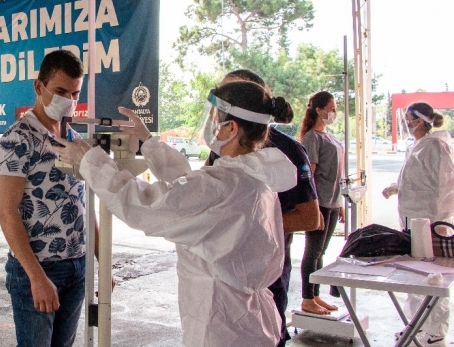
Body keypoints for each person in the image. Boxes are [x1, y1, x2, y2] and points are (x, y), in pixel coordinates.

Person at [56, 81, 297, 346]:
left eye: (214, 118)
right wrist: (149, 143)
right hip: (250, 321)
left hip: (221, 325)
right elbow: (187, 190)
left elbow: (144, 206)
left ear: (232, 128)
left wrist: (89, 161)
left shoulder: (223, 185)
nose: (209, 125)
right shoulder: (252, 177)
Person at [208, 69, 321, 346]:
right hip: (222, 274)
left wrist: (254, 224)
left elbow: (311, 218)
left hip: (264, 277)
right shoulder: (221, 146)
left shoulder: (288, 150)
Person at [0, 50, 98, 347]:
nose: (69, 100)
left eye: (75, 94)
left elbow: (84, 205)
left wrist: (100, 263)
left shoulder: (73, 138)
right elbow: (6, 213)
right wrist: (37, 278)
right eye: (61, 92)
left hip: (76, 266)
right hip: (39, 268)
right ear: (39, 87)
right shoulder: (17, 139)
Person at [382, 102, 454, 346]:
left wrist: (436, 223)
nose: (405, 123)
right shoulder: (418, 146)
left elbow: (444, 185)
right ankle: (416, 324)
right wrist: (396, 188)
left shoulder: (435, 146)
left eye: (408, 119)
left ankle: (435, 332)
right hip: (413, 220)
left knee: (434, 277)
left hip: (430, 221)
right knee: (414, 274)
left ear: (420, 121)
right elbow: (417, 180)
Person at [297, 91, 344, 315]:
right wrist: (313, 207)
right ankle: (307, 298)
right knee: (313, 251)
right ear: (319, 110)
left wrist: (339, 203)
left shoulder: (329, 136)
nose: (334, 112)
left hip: (332, 201)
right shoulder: (312, 137)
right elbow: (310, 175)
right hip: (320, 202)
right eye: (331, 108)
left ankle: (315, 294)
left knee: (321, 251)